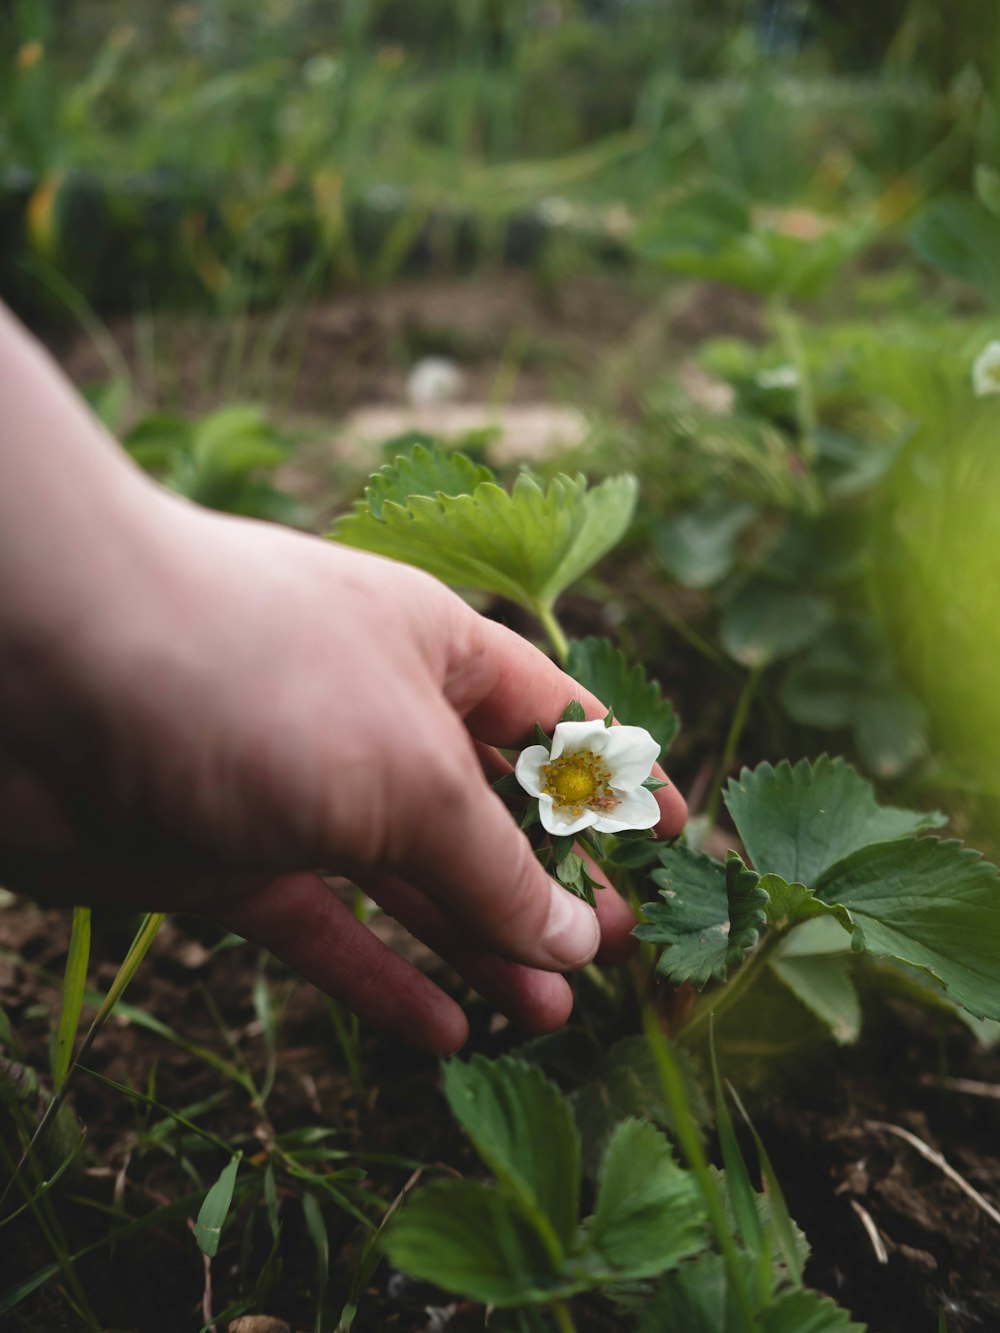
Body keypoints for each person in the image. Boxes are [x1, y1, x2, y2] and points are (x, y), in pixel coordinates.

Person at [0, 300, 686, 1055]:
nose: (582, 786)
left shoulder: (591, 796)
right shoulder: (546, 776)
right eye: (574, 778)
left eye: (582, 782)